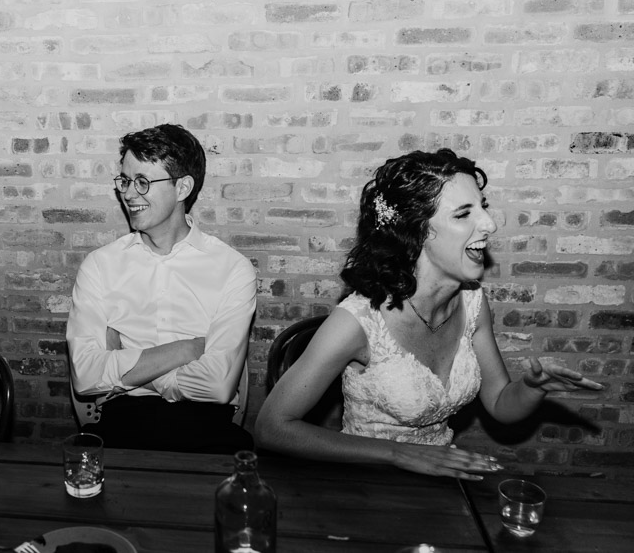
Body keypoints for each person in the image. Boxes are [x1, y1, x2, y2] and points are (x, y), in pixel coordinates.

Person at [255, 148, 603, 478]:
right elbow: (272, 428)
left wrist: (532, 387)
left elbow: (499, 404)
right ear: (418, 231)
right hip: (364, 484)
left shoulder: (473, 303)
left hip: (441, 480)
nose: (490, 225)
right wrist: (398, 453)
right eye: (464, 214)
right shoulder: (357, 321)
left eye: (483, 207)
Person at [66, 124, 257, 454]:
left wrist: (125, 369)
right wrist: (185, 350)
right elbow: (85, 376)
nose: (128, 194)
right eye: (124, 181)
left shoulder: (232, 269)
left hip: (208, 430)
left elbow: (217, 386)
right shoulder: (100, 265)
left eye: (142, 182)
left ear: (182, 187)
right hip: (122, 425)